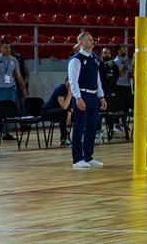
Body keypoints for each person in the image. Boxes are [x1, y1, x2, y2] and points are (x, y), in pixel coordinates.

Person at [67, 31, 108, 169]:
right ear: (81, 42)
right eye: (89, 39)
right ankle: (77, 158)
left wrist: (101, 96)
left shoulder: (94, 59)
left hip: (93, 96)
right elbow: (73, 80)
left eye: (92, 39)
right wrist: (78, 97)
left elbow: (97, 79)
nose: (92, 41)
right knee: (79, 127)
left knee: (92, 128)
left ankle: (88, 156)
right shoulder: (76, 59)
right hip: (82, 95)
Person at [0, 41, 21, 137]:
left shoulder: (14, 60)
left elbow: (18, 74)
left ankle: (6, 133)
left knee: (9, 111)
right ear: (1, 48)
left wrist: (23, 87)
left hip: (11, 88)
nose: (8, 49)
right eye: (5, 47)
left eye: (9, 47)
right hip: (0, 88)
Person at [42, 79, 73, 144]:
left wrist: (70, 113)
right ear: (65, 81)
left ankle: (78, 138)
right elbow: (64, 107)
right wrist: (70, 92)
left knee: (77, 115)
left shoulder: (75, 91)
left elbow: (72, 106)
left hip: (60, 113)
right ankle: (64, 138)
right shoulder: (60, 89)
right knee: (63, 113)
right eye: (69, 81)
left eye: (72, 82)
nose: (70, 83)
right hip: (47, 111)